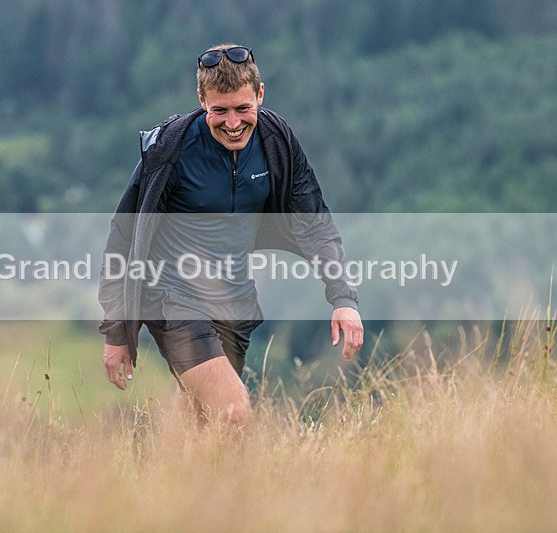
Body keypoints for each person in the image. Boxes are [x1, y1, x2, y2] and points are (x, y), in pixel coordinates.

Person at [98, 44, 363, 427]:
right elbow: (123, 235)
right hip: (172, 299)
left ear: (260, 95)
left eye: (243, 109)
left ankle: (163, 480)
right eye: (219, 111)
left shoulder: (276, 141)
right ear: (201, 100)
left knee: (199, 419)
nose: (233, 123)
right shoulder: (171, 149)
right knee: (233, 410)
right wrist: (116, 330)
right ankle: (243, 489)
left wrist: (343, 298)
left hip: (234, 303)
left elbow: (313, 220)